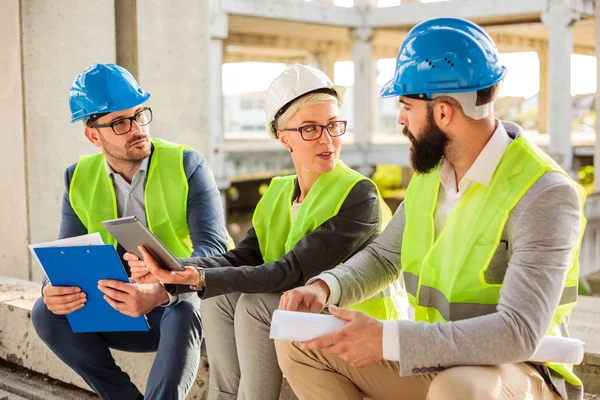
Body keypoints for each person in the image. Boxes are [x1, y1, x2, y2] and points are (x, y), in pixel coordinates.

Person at [275, 18, 587, 400]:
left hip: (522, 370)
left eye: (406, 106)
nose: (401, 119)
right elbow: (385, 257)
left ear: (443, 113)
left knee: (461, 388)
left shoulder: (543, 194)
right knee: (300, 342)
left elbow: (518, 331)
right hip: (437, 357)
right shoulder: (431, 174)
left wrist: (389, 339)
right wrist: (327, 287)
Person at [126, 64, 405, 400]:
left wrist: (196, 278)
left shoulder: (360, 195)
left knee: (253, 304)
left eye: (333, 125)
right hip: (301, 314)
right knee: (219, 298)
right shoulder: (277, 192)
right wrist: (174, 269)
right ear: (283, 136)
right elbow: (242, 258)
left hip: (357, 331)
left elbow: (292, 272)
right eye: (310, 129)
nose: (327, 139)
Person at [31, 63, 230, 400]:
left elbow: (214, 251)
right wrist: (52, 287)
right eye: (121, 122)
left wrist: (161, 289)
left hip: (195, 309)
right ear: (93, 135)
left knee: (185, 307)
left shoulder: (188, 165)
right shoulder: (76, 177)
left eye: (139, 115)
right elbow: (68, 255)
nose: (137, 128)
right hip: (127, 309)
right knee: (46, 313)